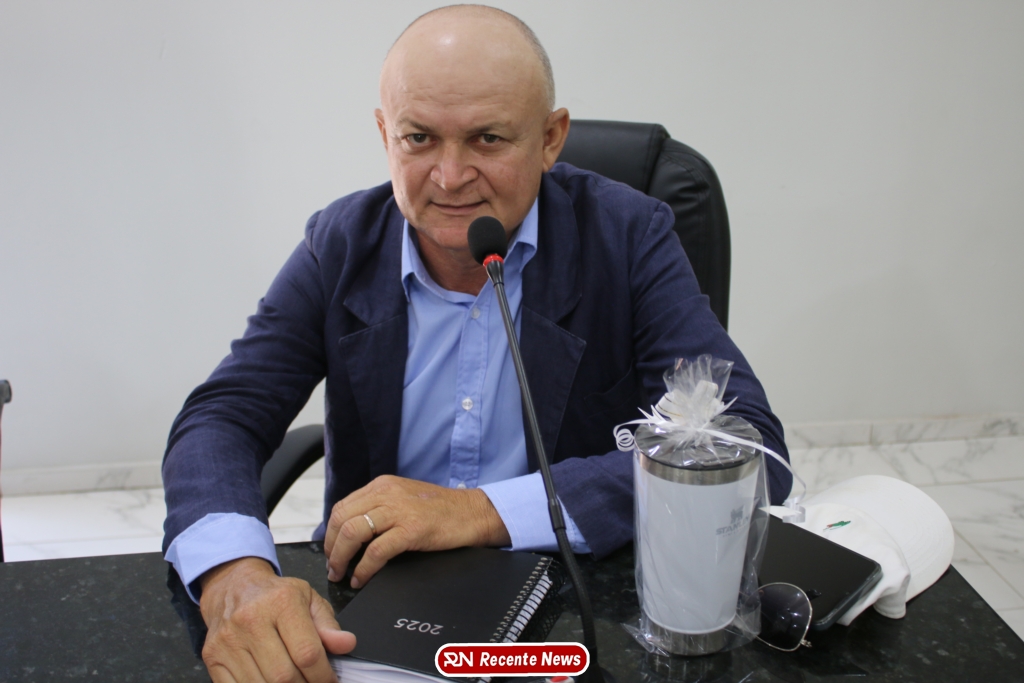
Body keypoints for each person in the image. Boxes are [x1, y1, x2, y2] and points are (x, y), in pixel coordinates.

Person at [162, 5, 791, 682]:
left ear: (550, 138)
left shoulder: (628, 236)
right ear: (385, 134)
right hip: (374, 603)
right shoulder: (340, 242)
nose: (450, 175)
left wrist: (481, 511)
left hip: (571, 608)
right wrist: (236, 575)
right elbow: (224, 416)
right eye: (419, 138)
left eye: (487, 139)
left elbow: (750, 447)